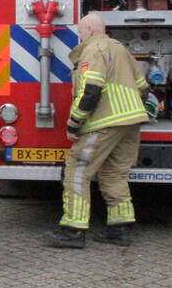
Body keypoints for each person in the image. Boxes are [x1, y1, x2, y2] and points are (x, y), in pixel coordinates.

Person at [44, 12, 149, 249]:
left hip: (105, 122)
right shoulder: (121, 49)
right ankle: (119, 229)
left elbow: (90, 89)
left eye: (81, 32)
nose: (80, 37)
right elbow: (143, 87)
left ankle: (73, 229)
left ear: (90, 30)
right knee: (114, 173)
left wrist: (74, 123)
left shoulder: (93, 50)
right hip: (131, 121)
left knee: (77, 169)